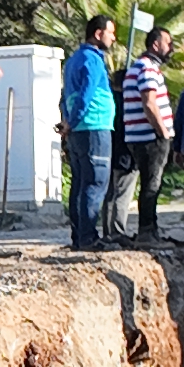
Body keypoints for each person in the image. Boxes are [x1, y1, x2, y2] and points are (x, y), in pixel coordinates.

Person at [112, 20, 178, 243]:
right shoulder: (147, 69)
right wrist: (163, 132)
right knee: (152, 184)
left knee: (150, 183)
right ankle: (147, 231)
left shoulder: (136, 68)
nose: (171, 48)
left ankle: (149, 229)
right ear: (156, 45)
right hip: (149, 136)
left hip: (137, 135)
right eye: (168, 43)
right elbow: (150, 103)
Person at [61, 15, 117, 250]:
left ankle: (78, 236)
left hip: (78, 132)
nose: (113, 38)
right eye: (111, 33)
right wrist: (73, 121)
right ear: (98, 33)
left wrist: (67, 122)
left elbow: (64, 96)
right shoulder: (92, 60)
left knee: (80, 184)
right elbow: (87, 94)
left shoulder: (73, 60)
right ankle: (88, 238)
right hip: (94, 127)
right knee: (95, 183)